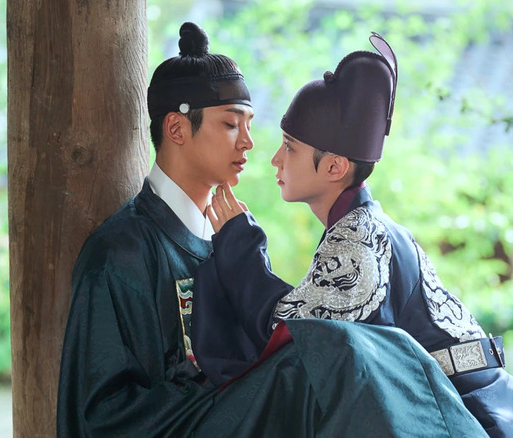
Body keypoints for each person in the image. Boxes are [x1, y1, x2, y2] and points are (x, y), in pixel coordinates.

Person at [56, 22, 488, 437]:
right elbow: (100, 416)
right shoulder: (119, 252)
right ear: (176, 128)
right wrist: (238, 393)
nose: (249, 142)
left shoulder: (231, 239)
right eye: (230, 124)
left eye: (249, 124)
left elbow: (290, 335)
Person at [193, 32, 513, 437]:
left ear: (334, 168)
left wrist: (240, 246)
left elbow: (289, 337)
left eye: (290, 147)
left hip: (475, 420)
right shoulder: (362, 226)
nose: (275, 159)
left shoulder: (359, 242)